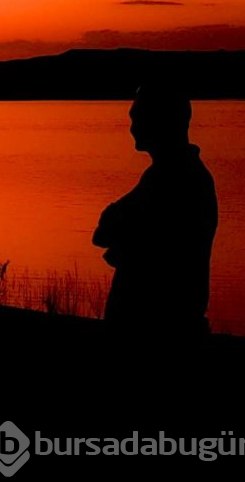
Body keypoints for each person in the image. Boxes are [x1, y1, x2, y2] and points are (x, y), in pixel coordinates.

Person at [93, 85, 218, 339]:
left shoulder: (179, 178)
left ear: (164, 121)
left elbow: (120, 232)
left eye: (138, 119)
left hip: (163, 329)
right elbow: (105, 231)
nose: (132, 128)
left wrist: (128, 248)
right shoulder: (158, 176)